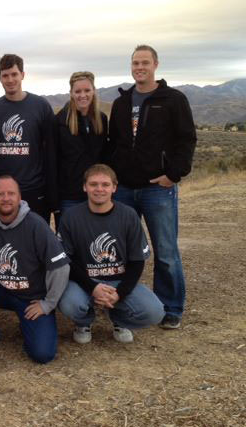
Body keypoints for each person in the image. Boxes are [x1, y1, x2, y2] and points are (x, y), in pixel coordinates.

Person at [105, 45, 196, 329]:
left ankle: (171, 308)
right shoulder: (121, 103)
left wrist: (174, 175)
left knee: (165, 250)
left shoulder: (172, 99)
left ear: (155, 64)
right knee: (118, 251)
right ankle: (118, 303)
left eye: (145, 62)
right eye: (135, 62)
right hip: (124, 190)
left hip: (158, 188)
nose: (139, 67)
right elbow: (113, 144)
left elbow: (186, 140)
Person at [0, 175, 69, 364]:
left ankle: (30, 326)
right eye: (0, 194)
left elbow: (60, 267)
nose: (6, 198)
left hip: (32, 297)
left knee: (43, 354)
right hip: (2, 290)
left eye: (11, 193)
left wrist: (48, 304)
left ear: (19, 197)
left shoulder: (36, 225)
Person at [57, 164, 165, 343]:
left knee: (155, 312)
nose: (99, 189)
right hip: (85, 281)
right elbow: (66, 260)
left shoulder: (128, 215)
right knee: (70, 305)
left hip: (118, 281)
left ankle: (118, 318)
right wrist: (92, 287)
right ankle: (84, 321)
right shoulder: (71, 216)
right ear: (84, 187)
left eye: (105, 184)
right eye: (93, 184)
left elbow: (137, 261)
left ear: (114, 187)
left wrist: (119, 293)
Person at [0, 54, 58, 223]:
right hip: (3, 190)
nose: (10, 79)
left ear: (23, 75)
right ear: (0, 78)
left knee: (35, 242)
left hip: (34, 188)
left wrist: (51, 189)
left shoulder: (40, 106)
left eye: (14, 74)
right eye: (5, 75)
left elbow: (50, 149)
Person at [54, 72, 108, 225]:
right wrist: (54, 198)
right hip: (69, 196)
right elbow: (52, 159)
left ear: (94, 91)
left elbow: (104, 156)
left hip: (96, 194)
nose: (82, 95)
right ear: (71, 93)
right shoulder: (60, 121)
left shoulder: (101, 119)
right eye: (77, 91)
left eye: (87, 90)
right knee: (69, 243)